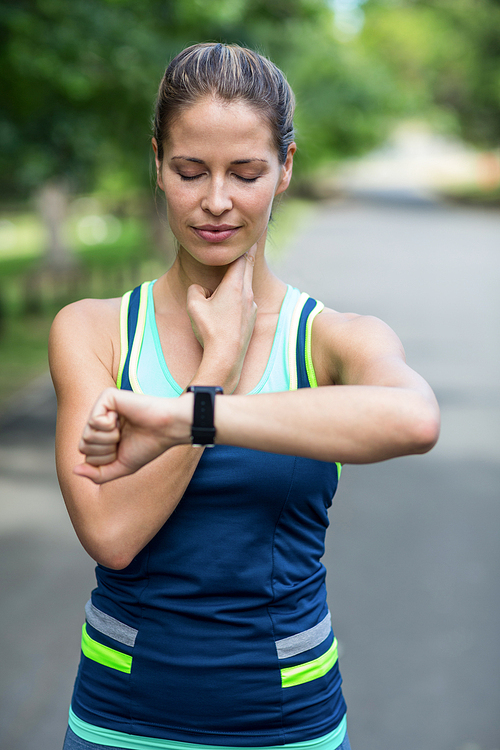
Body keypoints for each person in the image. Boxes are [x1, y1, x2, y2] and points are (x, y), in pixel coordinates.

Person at [50, 42, 440, 750]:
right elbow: (111, 535)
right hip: (118, 722)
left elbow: (414, 420)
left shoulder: (330, 339)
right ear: (158, 164)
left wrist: (189, 416)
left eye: (247, 172)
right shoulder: (94, 330)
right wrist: (217, 365)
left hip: (288, 726)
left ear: (286, 168)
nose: (217, 201)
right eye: (190, 171)